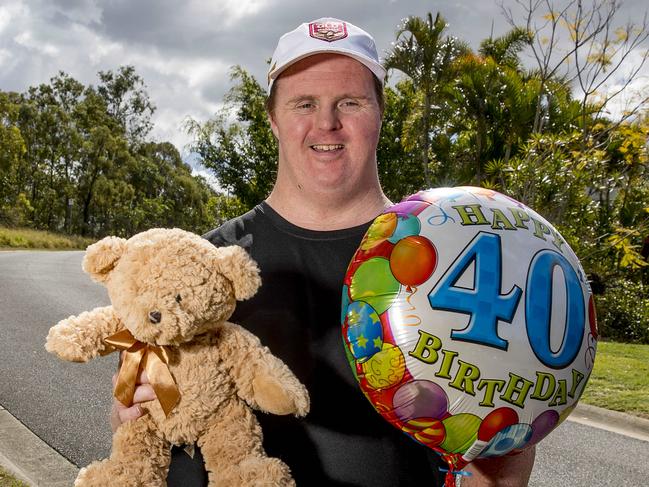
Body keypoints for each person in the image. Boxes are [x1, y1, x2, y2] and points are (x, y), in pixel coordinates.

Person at [111, 17, 536, 486]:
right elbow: (136, 418)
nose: (327, 123)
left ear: (379, 111)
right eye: (304, 103)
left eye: (349, 102)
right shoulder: (202, 265)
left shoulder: (448, 260)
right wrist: (129, 409)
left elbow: (493, 465)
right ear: (273, 118)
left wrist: (503, 455)